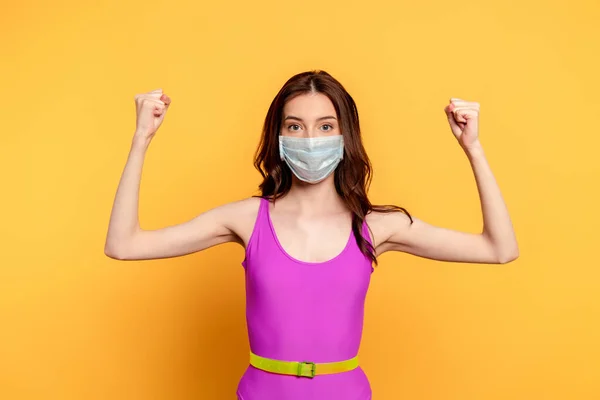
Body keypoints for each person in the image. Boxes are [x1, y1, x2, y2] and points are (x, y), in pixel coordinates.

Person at [104, 70, 519, 400]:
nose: (310, 139)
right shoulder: (247, 219)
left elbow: (499, 249)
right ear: (279, 136)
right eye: (295, 126)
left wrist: (474, 149)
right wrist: (141, 138)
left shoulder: (375, 225)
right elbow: (124, 245)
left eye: (325, 126)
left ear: (344, 135)